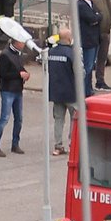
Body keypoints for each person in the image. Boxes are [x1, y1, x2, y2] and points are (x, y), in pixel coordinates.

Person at [45, 24, 82, 155]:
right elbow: (80, 73)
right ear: (68, 38)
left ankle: (58, 145)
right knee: (75, 118)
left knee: (59, 120)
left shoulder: (51, 52)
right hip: (71, 92)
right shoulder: (72, 53)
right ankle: (72, 144)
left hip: (56, 92)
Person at [0, 35, 29, 157]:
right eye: (22, 41)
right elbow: (3, 74)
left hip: (17, 89)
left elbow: (20, 68)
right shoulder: (5, 55)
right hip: (8, 90)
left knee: (19, 118)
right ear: (16, 42)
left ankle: (15, 143)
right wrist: (19, 75)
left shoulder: (17, 54)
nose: (23, 44)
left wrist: (25, 74)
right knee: (4, 118)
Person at [76, 0, 107, 90]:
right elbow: (92, 18)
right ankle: (84, 89)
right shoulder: (81, 5)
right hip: (87, 40)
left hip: (95, 39)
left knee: (91, 65)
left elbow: (99, 14)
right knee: (87, 66)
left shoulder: (92, 3)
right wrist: (96, 17)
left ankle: (88, 88)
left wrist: (97, 17)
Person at [88, 0, 111, 90]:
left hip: (106, 32)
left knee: (102, 58)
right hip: (94, 32)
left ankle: (100, 81)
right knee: (90, 59)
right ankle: (87, 83)